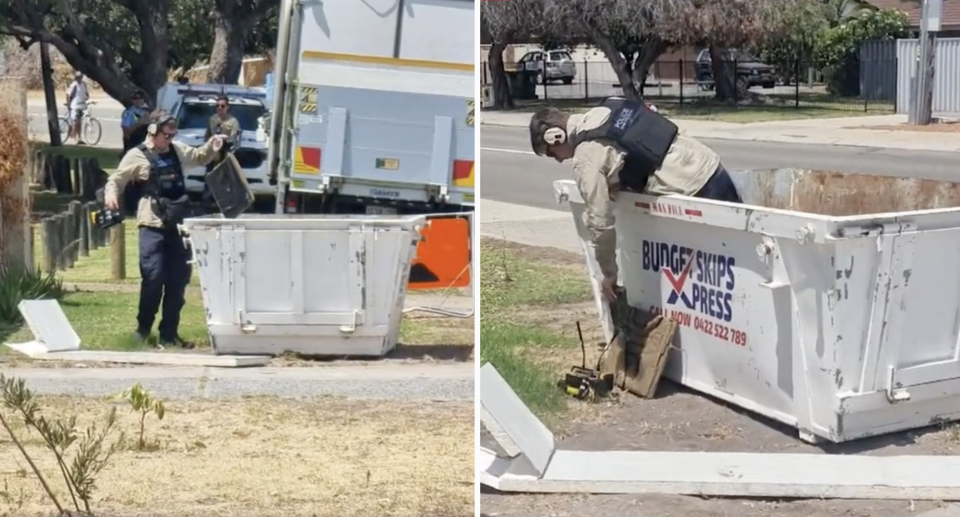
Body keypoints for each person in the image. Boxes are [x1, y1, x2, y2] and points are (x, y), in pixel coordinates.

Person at [528, 97, 742, 302]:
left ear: (555, 136)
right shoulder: (607, 108)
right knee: (742, 259)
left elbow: (600, 222)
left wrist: (609, 273)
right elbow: (634, 148)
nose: (558, 159)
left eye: (552, 153)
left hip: (693, 194)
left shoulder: (586, 158)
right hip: (712, 167)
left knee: (721, 277)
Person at [103, 110, 228, 349]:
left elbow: (201, 157)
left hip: (178, 224)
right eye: (166, 135)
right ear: (153, 131)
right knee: (153, 278)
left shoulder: (177, 150)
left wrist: (213, 145)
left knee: (178, 281)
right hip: (151, 224)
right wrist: (111, 198)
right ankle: (142, 330)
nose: (169, 139)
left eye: (173, 135)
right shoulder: (136, 156)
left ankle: (169, 334)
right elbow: (115, 180)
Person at [201, 95, 241, 213]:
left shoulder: (233, 122)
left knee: (225, 184)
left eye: (222, 106)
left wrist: (225, 140)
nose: (219, 108)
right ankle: (204, 209)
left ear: (227, 107)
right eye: (217, 106)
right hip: (212, 156)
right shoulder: (212, 120)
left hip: (224, 157)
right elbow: (207, 136)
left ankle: (226, 209)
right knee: (209, 183)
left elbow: (234, 139)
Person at [65, 72, 89, 144]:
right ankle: (74, 138)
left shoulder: (83, 84)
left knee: (79, 122)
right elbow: (68, 94)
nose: (80, 79)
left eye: (81, 77)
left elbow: (86, 93)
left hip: (81, 104)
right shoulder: (74, 85)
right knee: (75, 122)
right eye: (78, 77)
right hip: (75, 105)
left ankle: (79, 138)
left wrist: (86, 97)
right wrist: (69, 104)